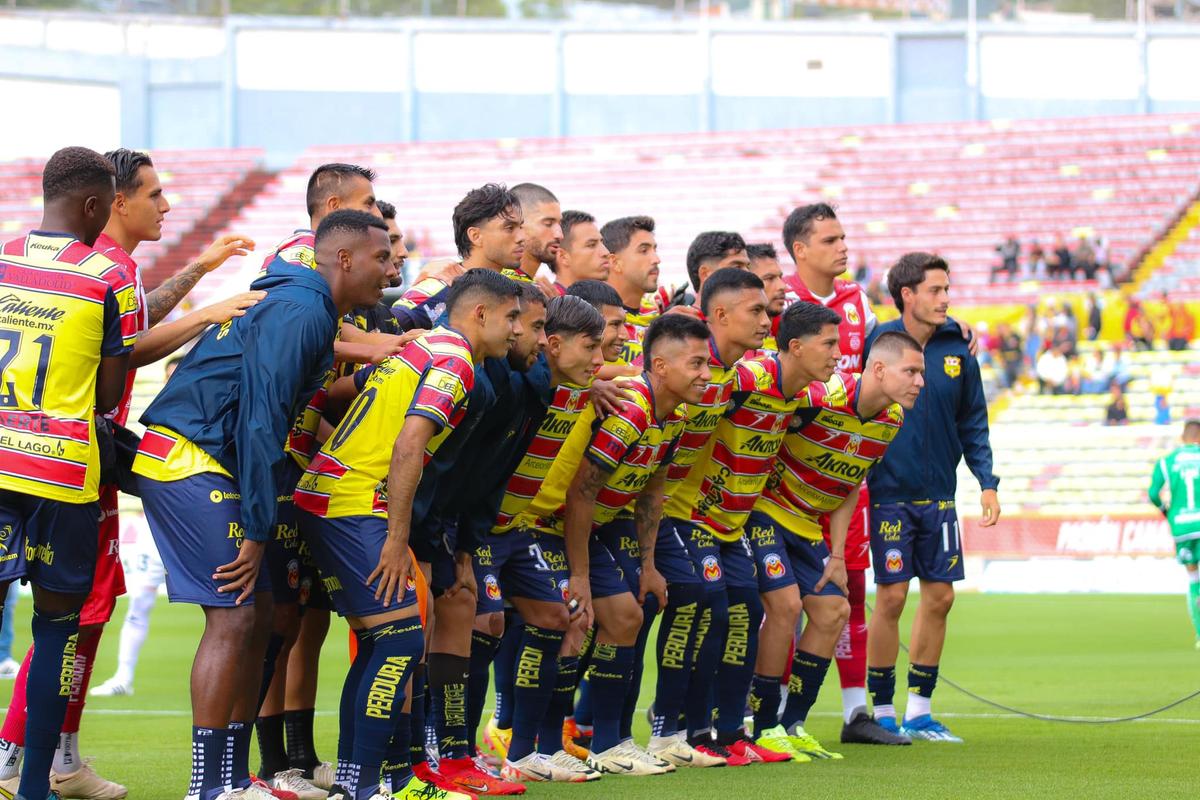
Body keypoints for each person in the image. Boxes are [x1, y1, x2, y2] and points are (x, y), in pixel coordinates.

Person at [132, 209, 396, 800]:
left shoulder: (308, 306)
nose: (391, 269)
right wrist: (257, 528)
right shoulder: (302, 309)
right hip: (190, 456)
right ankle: (209, 787)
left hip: (208, 454)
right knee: (236, 615)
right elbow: (259, 421)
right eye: (381, 257)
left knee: (261, 615)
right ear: (345, 259)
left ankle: (233, 778)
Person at [504, 314, 709, 780]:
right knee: (571, 622)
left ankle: (610, 743)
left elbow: (653, 490)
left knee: (625, 617)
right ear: (659, 365)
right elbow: (581, 494)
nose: (706, 374)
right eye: (696, 363)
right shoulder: (632, 410)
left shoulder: (674, 417)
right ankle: (532, 748)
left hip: (595, 526)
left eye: (708, 364)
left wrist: (650, 565)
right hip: (553, 524)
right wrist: (579, 576)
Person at [0, 146, 133, 800]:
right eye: (108, 204)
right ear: (91, 204)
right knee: (56, 631)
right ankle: (32, 791)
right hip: (60, 475)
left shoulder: (0, 258)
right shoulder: (108, 275)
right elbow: (109, 394)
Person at [671, 300, 842, 762]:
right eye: (829, 344)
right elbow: (694, 392)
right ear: (794, 346)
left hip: (735, 523)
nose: (838, 354)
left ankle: (741, 730)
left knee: (744, 614)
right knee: (710, 615)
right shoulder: (747, 379)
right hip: (690, 517)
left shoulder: (813, 396)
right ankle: (678, 728)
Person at [748, 331, 927, 760]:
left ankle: (793, 723)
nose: (920, 381)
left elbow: (849, 482)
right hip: (765, 511)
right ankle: (763, 723)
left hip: (809, 524)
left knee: (834, 611)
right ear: (879, 369)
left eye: (921, 373)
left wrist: (838, 555)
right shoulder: (821, 395)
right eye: (912, 371)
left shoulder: (891, 421)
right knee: (786, 608)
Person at [865, 252, 1001, 744]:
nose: (946, 299)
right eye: (936, 290)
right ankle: (880, 710)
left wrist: (987, 481)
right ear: (908, 295)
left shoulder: (958, 350)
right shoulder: (874, 343)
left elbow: (974, 420)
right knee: (892, 596)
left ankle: (920, 712)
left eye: (948, 290)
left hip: (940, 494)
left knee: (940, 597)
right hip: (886, 494)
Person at [643, 268, 773, 769]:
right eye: (756, 311)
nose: (766, 320)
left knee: (738, 609)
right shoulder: (684, 366)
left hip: (693, 511)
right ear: (720, 314)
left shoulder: (742, 377)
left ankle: (713, 729)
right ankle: (664, 726)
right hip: (655, 508)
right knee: (690, 608)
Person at [1149, 420, 1200, 646]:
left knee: (1193, 579)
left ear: (1183, 437)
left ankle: (1199, 631)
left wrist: (1166, 511)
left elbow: (1153, 493)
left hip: (1182, 526)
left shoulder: (1167, 462)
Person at [602, 216, 662, 364]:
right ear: (614, 262)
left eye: (655, 250)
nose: (656, 259)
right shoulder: (591, 314)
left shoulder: (659, 317)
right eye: (644, 250)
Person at [454, 184, 527, 274]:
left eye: (520, 227)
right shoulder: (441, 285)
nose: (522, 237)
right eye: (510, 228)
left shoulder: (522, 285)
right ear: (475, 236)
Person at [508, 183, 562, 285]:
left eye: (560, 224)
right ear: (518, 224)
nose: (559, 235)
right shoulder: (502, 286)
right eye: (548, 224)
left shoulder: (539, 287)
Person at [549, 211, 610, 293]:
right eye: (591, 245)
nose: (606, 252)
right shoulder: (546, 304)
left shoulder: (602, 302)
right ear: (563, 257)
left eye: (602, 243)